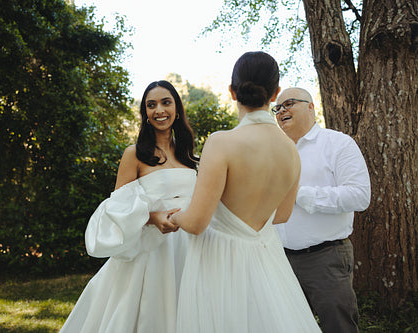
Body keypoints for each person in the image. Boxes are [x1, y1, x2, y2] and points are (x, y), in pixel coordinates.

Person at [169, 51, 321, 332]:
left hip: (218, 262)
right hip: (266, 260)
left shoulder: (221, 142)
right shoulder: (291, 150)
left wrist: (176, 217)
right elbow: (283, 215)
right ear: (275, 93)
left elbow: (197, 223)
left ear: (232, 91)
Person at [60, 80, 199, 333]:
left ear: (177, 109)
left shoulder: (190, 156)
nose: (159, 110)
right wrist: (153, 216)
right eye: (151, 105)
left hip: (188, 248)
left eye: (166, 102)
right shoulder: (134, 154)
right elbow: (118, 209)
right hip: (151, 251)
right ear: (145, 114)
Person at [272, 87, 371, 333]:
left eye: (289, 103)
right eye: (277, 107)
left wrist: (298, 193)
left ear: (310, 106)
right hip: (279, 260)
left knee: (338, 327)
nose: (282, 110)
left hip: (326, 259)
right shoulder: (274, 152)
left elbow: (359, 196)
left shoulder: (338, 143)